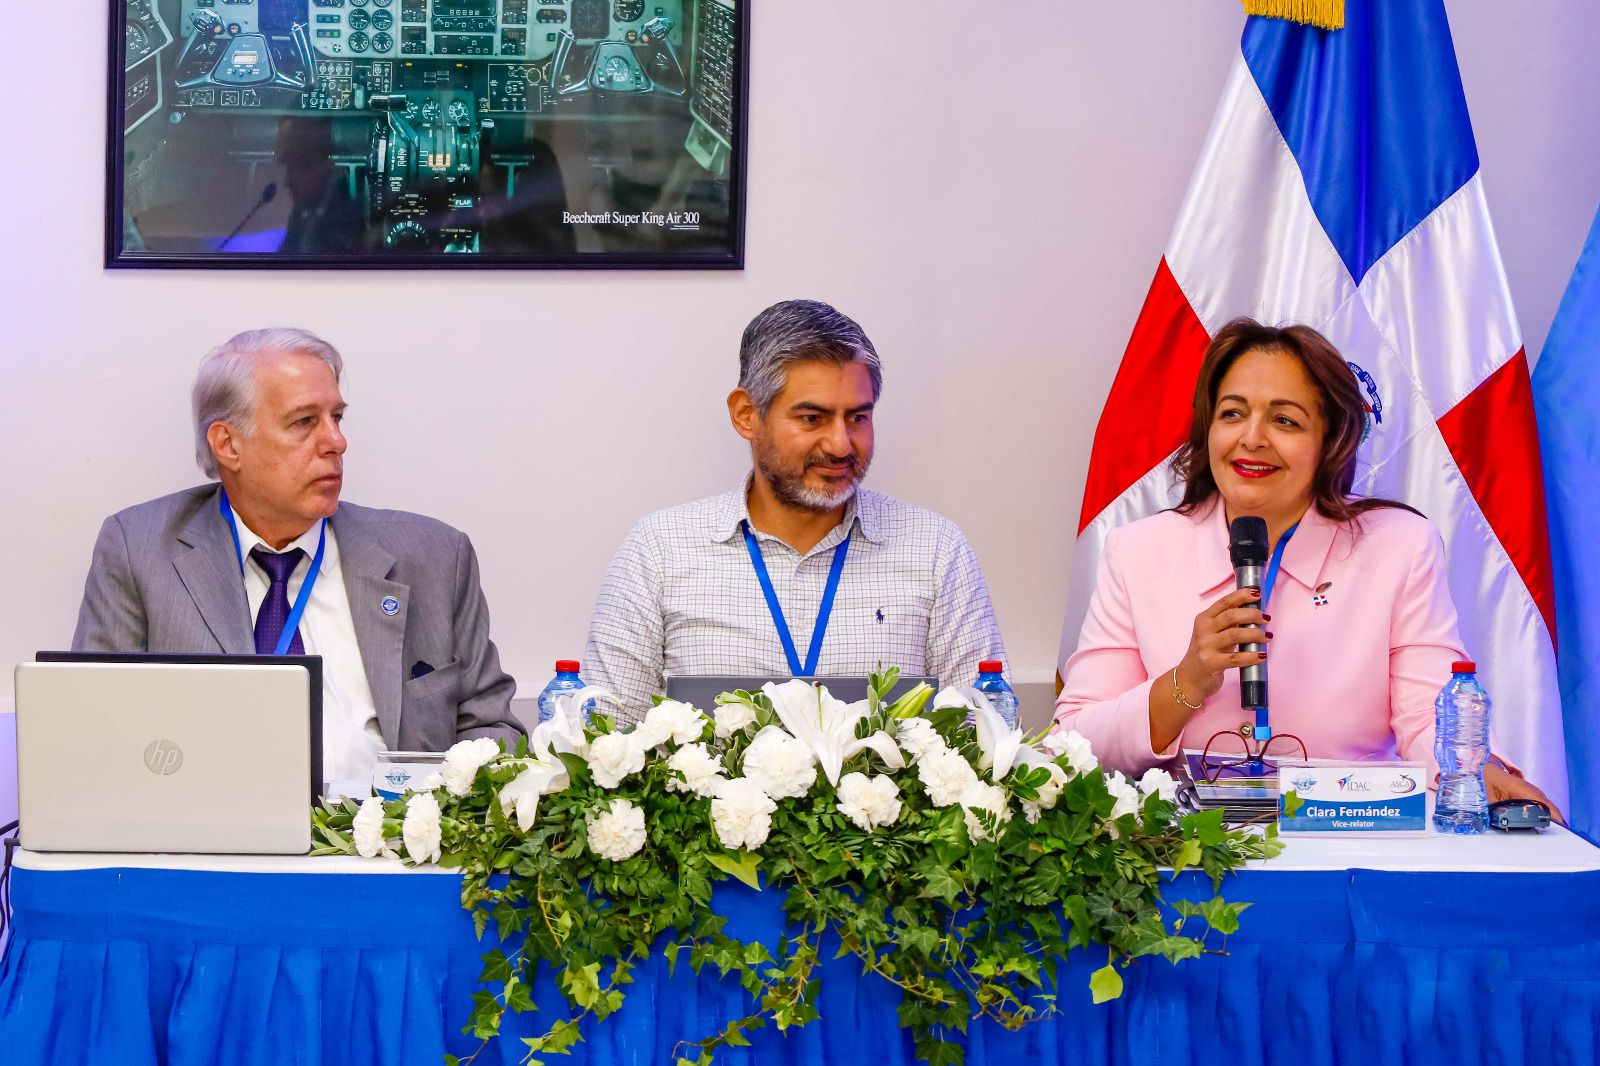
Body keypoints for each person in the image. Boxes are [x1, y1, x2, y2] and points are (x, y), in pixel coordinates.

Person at [1055, 318, 1558, 815]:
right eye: (1232, 414)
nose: (1252, 438)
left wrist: (1479, 772)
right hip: (1190, 843)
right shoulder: (1138, 551)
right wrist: (1184, 683)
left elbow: (1427, 714)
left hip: (1350, 833)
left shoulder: (1398, 546)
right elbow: (1073, 742)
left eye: (1285, 421)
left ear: (1329, 441)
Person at [72, 328, 523, 784]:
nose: (336, 441)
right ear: (227, 444)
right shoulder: (140, 551)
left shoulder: (434, 556)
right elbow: (95, 730)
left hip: (393, 824)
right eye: (304, 422)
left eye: (337, 417)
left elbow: (493, 730)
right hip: (218, 823)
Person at [584, 299, 1007, 723]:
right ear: (747, 415)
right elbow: (605, 737)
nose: (840, 445)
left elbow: (986, 735)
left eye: (857, 418)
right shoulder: (659, 549)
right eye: (811, 418)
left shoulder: (935, 548)